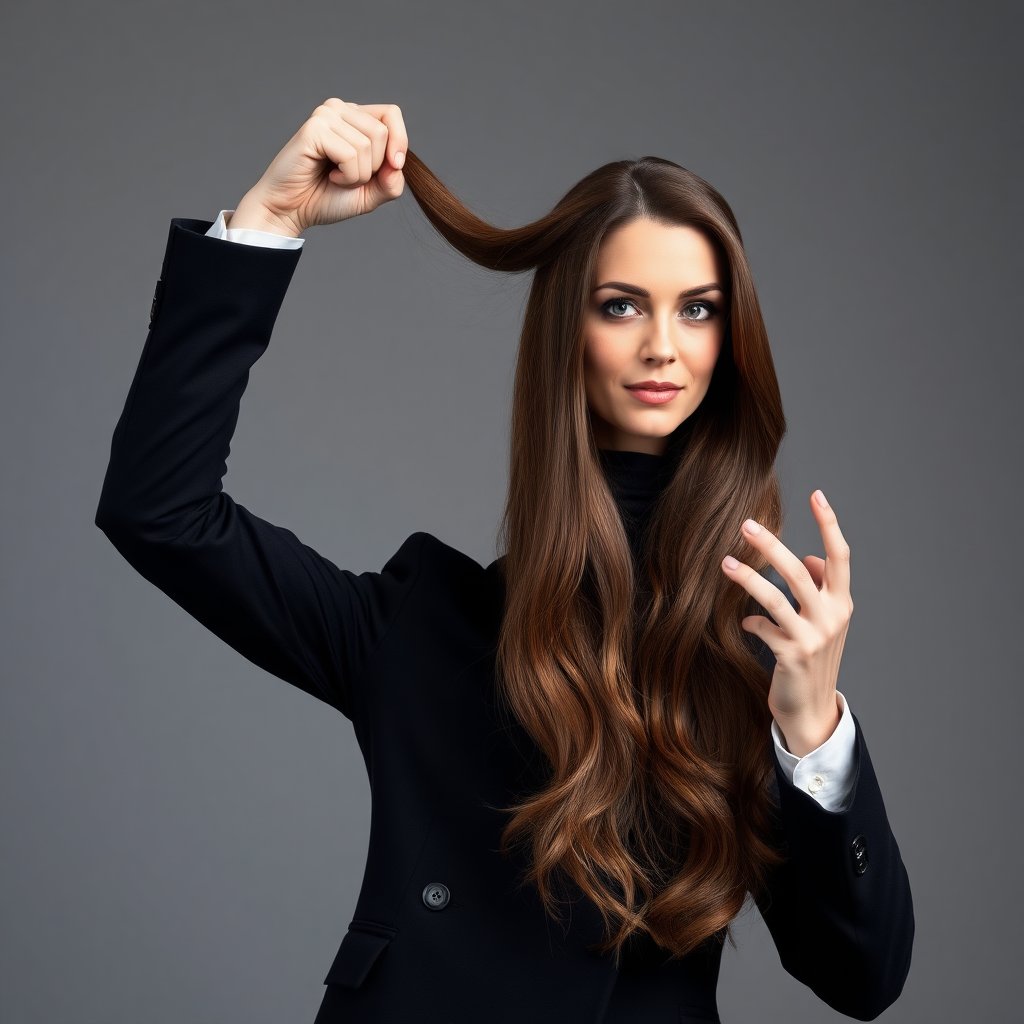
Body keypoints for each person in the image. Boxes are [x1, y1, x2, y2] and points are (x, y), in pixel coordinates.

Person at [95, 98, 914, 1023]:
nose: (662, 347)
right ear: (569, 330)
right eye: (620, 306)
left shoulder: (756, 651)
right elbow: (158, 509)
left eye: (698, 309)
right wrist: (265, 227)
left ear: (731, 341)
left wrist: (816, 735)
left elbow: (864, 980)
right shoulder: (422, 627)